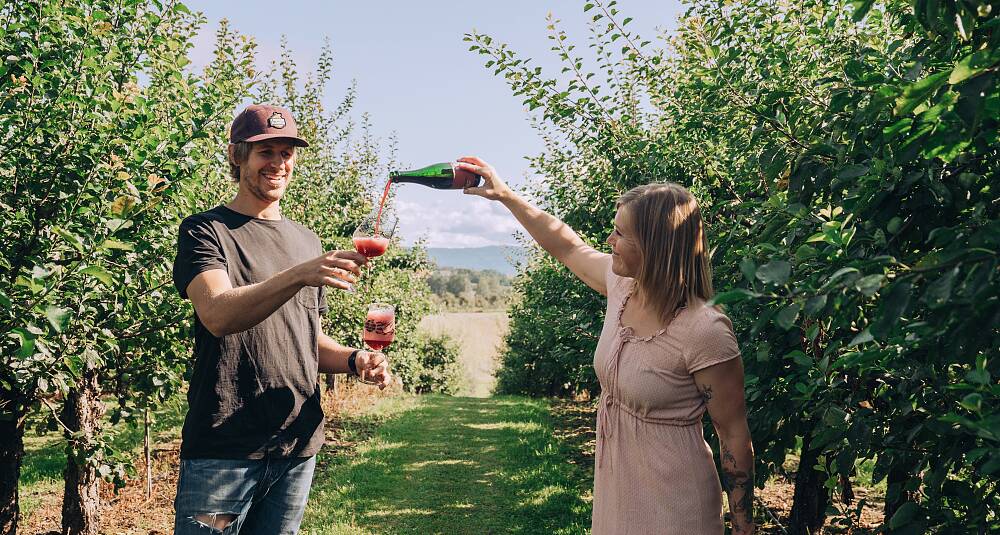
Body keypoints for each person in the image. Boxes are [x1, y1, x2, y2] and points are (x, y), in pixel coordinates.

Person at [458, 156, 756, 534]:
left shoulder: (704, 331)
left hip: (675, 503)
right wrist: (505, 196)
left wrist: (744, 527)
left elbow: (734, 436)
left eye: (620, 234)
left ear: (654, 246)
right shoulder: (622, 288)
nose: (610, 241)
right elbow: (566, 246)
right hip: (617, 491)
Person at [171, 104, 392, 534]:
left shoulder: (305, 240)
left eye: (287, 152)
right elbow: (216, 313)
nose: (278, 163)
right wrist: (299, 274)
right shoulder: (206, 230)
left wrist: (354, 360)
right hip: (224, 450)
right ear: (237, 156)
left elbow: (308, 340)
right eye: (265, 151)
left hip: (297, 445)